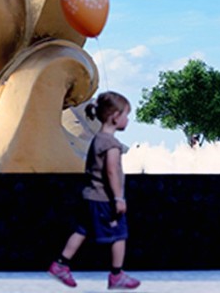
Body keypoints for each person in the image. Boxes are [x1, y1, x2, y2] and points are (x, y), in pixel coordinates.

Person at [49, 91, 140, 290]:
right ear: (115, 117)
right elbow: (112, 172)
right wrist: (118, 198)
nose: (128, 119)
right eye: (126, 114)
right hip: (104, 199)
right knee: (119, 235)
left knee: (82, 230)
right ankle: (117, 275)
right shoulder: (111, 144)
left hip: (90, 195)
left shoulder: (97, 139)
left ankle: (61, 264)